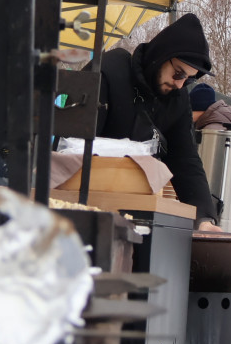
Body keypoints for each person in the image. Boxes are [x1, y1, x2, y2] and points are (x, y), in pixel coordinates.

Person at [92, 14, 221, 230]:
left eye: (189, 79)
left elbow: (185, 159)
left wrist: (204, 218)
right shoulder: (110, 70)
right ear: (162, 55)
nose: (180, 84)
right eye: (178, 73)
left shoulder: (177, 98)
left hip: (137, 212)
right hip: (90, 201)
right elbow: (75, 142)